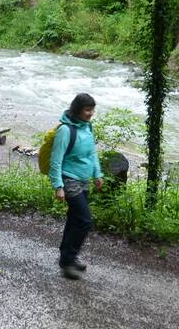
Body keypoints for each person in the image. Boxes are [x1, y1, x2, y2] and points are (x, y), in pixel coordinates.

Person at [48, 93, 104, 280]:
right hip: (69, 179)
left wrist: (98, 173)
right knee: (84, 220)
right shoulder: (65, 130)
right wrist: (58, 186)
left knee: (74, 219)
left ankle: (67, 257)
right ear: (77, 110)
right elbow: (55, 161)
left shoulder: (87, 127)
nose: (91, 113)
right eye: (87, 110)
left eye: (92, 109)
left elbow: (92, 153)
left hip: (84, 179)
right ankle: (67, 262)